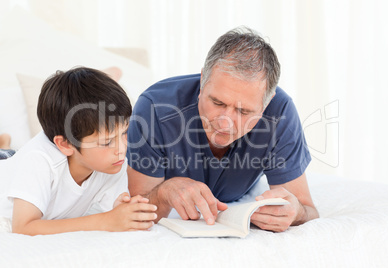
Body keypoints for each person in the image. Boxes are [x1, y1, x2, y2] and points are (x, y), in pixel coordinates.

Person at [126, 27, 319, 232]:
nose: (225, 123)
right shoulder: (155, 107)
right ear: (202, 81)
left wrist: (296, 212)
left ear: (266, 103)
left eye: (244, 111)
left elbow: (308, 210)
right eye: (217, 102)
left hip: (242, 191)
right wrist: (164, 192)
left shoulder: (280, 112)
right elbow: (139, 210)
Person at [0, 67, 157, 235]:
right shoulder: (38, 160)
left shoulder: (113, 162)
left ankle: (5, 144)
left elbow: (115, 210)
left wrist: (123, 210)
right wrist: (105, 221)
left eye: (125, 133)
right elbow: (23, 227)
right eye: (106, 142)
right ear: (66, 145)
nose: (121, 149)